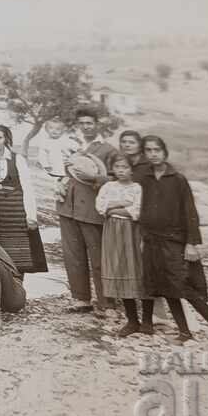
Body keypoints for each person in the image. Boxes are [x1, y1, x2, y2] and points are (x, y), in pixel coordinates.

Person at [138, 135, 208, 348]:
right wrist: (143, 237)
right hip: (152, 241)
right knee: (165, 286)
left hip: (175, 242)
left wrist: (191, 243)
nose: (153, 154)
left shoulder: (178, 179)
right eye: (149, 150)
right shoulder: (144, 178)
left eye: (157, 150)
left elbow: (190, 212)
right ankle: (184, 332)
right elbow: (140, 208)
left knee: (184, 286)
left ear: (165, 152)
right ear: (145, 154)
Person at [56, 107, 120, 314]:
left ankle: (106, 302)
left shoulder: (109, 150)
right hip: (68, 207)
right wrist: (60, 180)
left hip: (93, 209)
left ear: (97, 125)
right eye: (82, 123)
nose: (86, 127)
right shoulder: (73, 146)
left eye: (89, 123)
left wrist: (95, 178)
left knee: (98, 256)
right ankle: (81, 299)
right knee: (72, 255)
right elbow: (66, 172)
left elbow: (118, 179)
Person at [0, 124, 48, 274]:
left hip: (13, 207)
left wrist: (31, 216)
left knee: (15, 249)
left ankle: (16, 287)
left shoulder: (17, 159)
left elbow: (27, 187)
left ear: (6, 139)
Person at [95, 154, 150, 337]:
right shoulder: (108, 186)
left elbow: (138, 210)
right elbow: (102, 207)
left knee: (137, 269)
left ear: (132, 170)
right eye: (117, 167)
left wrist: (115, 208)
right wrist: (120, 204)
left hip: (132, 231)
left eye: (125, 167)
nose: (121, 170)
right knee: (119, 269)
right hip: (112, 232)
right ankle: (132, 320)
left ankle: (147, 321)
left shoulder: (138, 188)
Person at [37, 116, 81, 202]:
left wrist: (78, 151)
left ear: (62, 131)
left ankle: (63, 192)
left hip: (65, 165)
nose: (54, 131)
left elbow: (76, 147)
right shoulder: (44, 142)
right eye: (51, 128)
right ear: (46, 130)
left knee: (66, 179)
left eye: (58, 129)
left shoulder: (65, 140)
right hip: (53, 166)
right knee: (56, 181)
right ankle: (58, 192)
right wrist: (46, 165)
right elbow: (42, 155)